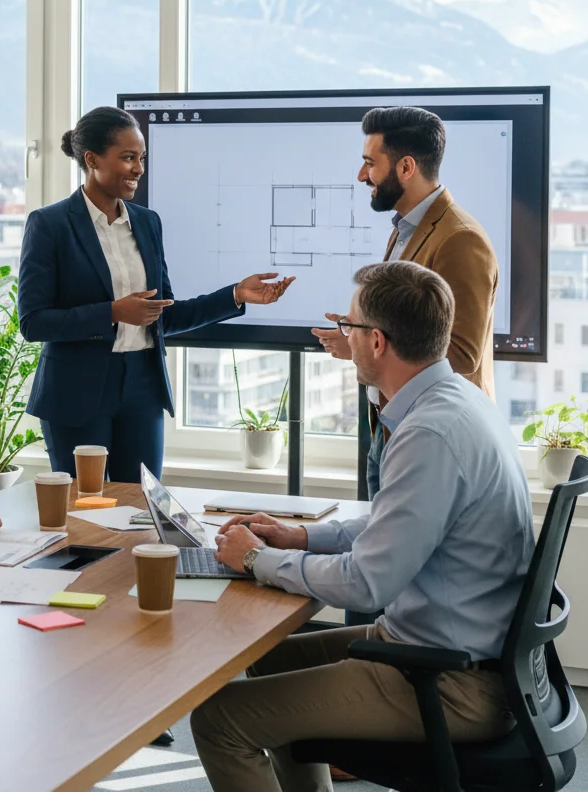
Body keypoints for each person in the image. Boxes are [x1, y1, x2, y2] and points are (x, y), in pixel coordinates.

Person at [192, 261, 533, 792]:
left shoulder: (429, 434)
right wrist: (299, 536)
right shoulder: (460, 401)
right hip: (450, 653)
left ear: (376, 342)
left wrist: (256, 558)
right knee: (263, 662)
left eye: (348, 328)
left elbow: (367, 583)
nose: (343, 338)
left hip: (448, 682)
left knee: (219, 721)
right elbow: (396, 522)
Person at [18, 107, 295, 482]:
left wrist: (236, 295)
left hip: (143, 387)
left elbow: (164, 315)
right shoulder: (50, 224)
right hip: (77, 393)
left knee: (143, 510)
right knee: (85, 513)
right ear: (92, 159)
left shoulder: (147, 223)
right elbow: (34, 323)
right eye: (128, 158)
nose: (138, 169)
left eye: (142, 158)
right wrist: (113, 312)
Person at [311, 106, 498, 498]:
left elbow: (462, 356)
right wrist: (363, 335)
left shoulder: (460, 240)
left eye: (369, 163)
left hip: (432, 439)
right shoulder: (404, 230)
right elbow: (410, 325)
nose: (363, 176)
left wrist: (367, 345)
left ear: (406, 167)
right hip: (391, 427)